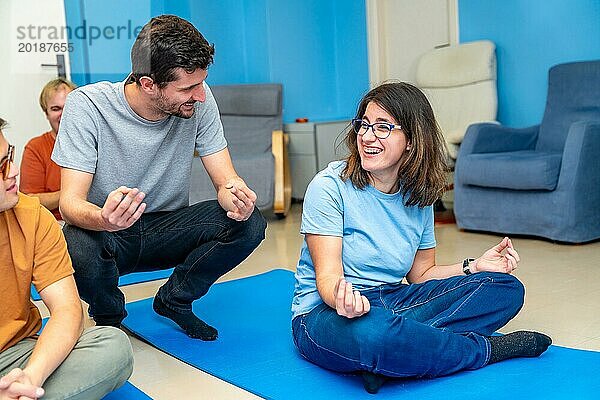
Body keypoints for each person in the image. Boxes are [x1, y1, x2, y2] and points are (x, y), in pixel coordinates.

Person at [290, 83, 551, 393]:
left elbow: (422, 274)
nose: (367, 136)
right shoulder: (329, 187)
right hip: (325, 314)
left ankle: (396, 359)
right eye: (364, 124)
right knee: (376, 336)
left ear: (412, 141)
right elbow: (328, 278)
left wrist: (476, 267)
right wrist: (342, 300)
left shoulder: (418, 196)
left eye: (383, 127)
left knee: (506, 289)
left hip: (392, 301)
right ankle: (486, 351)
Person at [52, 15, 266, 341]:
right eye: (188, 87)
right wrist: (105, 219)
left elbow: (226, 179)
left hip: (167, 228)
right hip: (109, 235)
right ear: (148, 84)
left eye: (201, 83)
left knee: (250, 223)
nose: (201, 95)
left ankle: (173, 300)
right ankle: (110, 320)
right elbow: (69, 204)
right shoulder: (87, 106)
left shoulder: (198, 101)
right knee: (76, 242)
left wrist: (233, 193)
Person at [0, 118, 133, 400]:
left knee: (112, 345)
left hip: (16, 354)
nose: (13, 171)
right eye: (1, 167)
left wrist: (31, 377)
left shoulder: (32, 216)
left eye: (9, 156)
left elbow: (68, 309)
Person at [20, 78, 76, 221]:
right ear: (46, 113)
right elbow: (29, 200)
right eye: (56, 109)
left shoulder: (96, 141)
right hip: (55, 223)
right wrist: (75, 192)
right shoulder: (35, 148)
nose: (63, 114)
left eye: (69, 106)